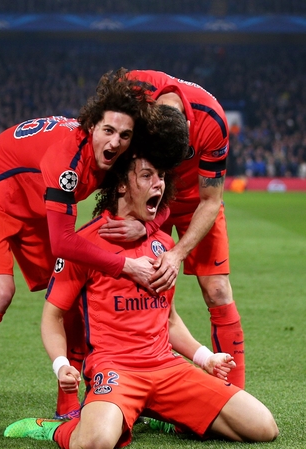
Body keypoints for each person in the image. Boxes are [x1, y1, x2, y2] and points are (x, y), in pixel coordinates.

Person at [0, 69, 188, 438]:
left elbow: (162, 200)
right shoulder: (68, 162)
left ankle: (68, 406)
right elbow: (63, 243)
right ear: (91, 125)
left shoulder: (120, 155)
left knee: (71, 292)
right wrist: (126, 266)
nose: (115, 141)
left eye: (124, 135)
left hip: (39, 208)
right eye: (107, 131)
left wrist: (148, 227)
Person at [3, 153, 278, 448]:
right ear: (121, 185)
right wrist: (60, 365)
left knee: (263, 427)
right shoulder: (83, 245)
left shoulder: (165, 244)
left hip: (167, 368)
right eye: (147, 176)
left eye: (161, 176)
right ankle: (53, 430)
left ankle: (162, 413)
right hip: (116, 370)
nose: (158, 183)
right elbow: (52, 316)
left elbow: (168, 319)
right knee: (96, 443)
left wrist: (204, 358)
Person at [100, 70, 247, 388]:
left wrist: (177, 254)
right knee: (135, 289)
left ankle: (233, 394)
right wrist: (143, 218)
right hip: (147, 194)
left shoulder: (212, 122)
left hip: (197, 200)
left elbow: (211, 200)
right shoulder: (133, 90)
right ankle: (124, 384)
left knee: (218, 290)